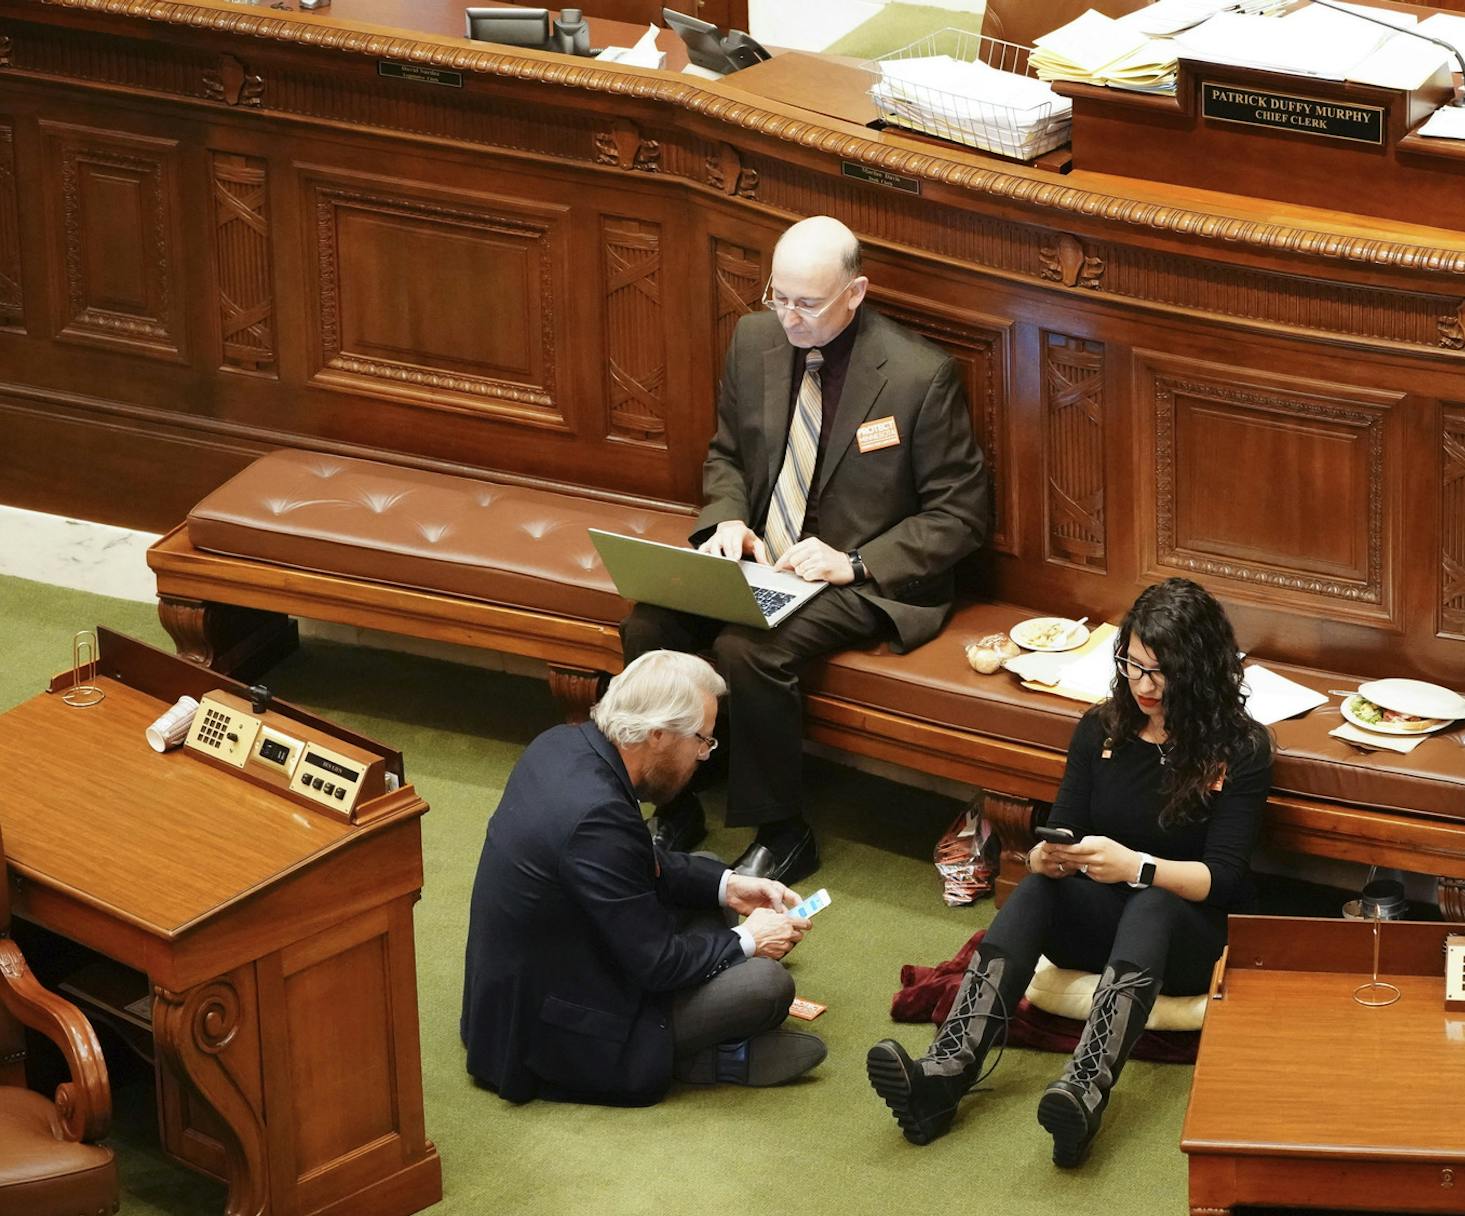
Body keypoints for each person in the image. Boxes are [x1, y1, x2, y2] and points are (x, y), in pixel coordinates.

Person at [622, 215, 993, 885]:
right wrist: (727, 522)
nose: (788, 317)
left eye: (807, 303)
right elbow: (728, 454)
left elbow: (961, 516)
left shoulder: (918, 377)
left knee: (749, 649)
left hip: (864, 579)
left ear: (855, 293)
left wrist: (853, 561)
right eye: (779, 296)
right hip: (769, 560)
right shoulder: (754, 339)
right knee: (651, 625)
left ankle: (784, 832)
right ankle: (672, 799)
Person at [866, 578, 1273, 1167]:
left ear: (1201, 669)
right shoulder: (1101, 728)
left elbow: (1226, 878)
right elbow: (1061, 830)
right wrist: (1044, 857)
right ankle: (945, 1072)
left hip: (1190, 932)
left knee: (1153, 900)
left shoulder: (1243, 747)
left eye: (1161, 672)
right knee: (1036, 887)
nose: (1143, 686)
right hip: (1105, 915)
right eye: (1132, 666)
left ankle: (1083, 1090)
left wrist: (1139, 867)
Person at [461, 651, 826, 1105]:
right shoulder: (597, 818)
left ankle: (709, 1032)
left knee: (709, 873)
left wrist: (729, 884)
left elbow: (635, 864)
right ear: (657, 735)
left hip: (540, 976)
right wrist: (748, 940)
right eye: (702, 740)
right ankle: (704, 1059)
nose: (703, 755)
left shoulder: (562, 744)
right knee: (765, 986)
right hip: (554, 1031)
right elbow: (659, 964)